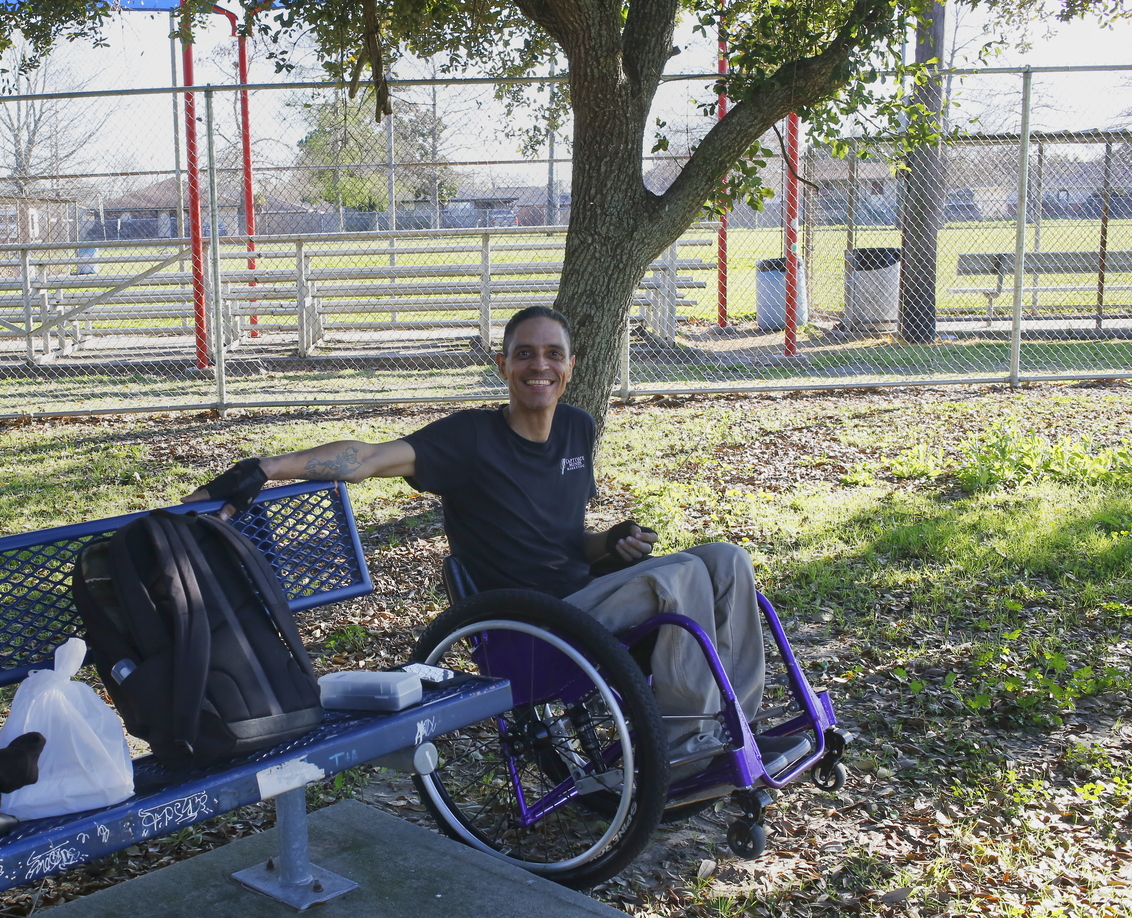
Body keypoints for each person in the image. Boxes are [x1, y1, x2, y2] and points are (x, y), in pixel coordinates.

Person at [186, 305, 791, 772]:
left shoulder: (577, 429)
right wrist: (267, 468)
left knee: (724, 558)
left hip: (583, 595)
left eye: (553, 354)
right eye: (524, 354)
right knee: (682, 573)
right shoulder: (469, 439)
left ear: (570, 367)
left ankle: (735, 717)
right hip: (529, 623)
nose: (539, 366)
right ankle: (687, 740)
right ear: (502, 366)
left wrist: (609, 544)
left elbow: (564, 539)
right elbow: (366, 457)